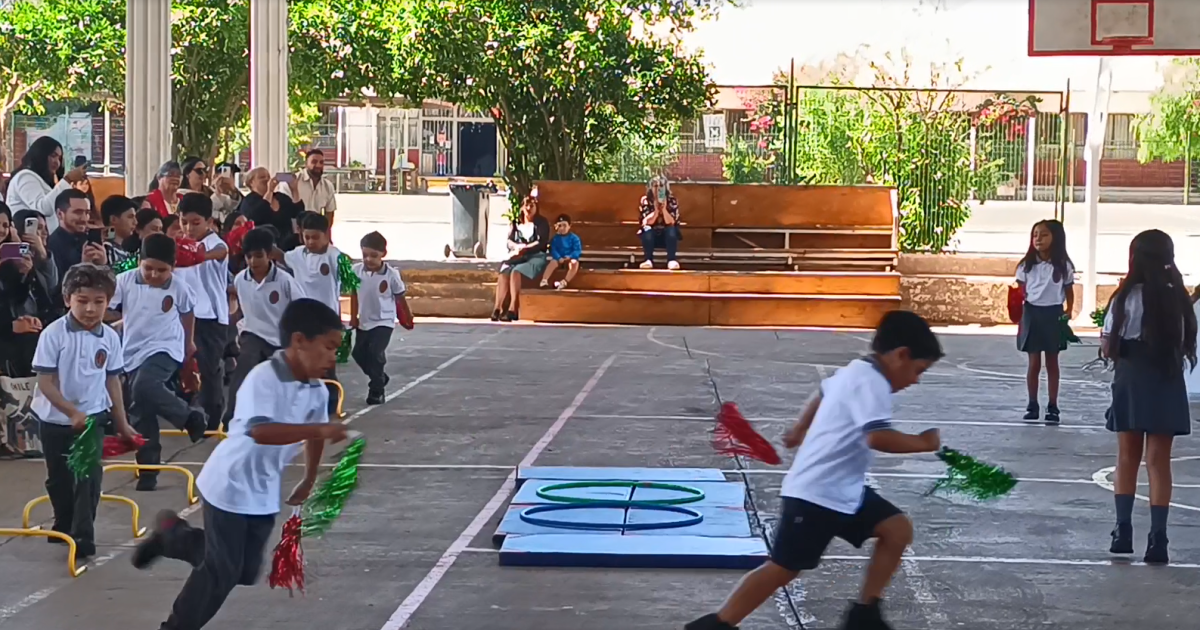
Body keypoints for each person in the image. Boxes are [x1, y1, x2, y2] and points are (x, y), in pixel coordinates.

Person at [686, 310, 943, 630]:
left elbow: (822, 393)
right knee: (783, 568)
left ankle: (865, 615)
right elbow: (877, 436)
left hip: (843, 491)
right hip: (817, 496)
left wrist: (799, 428)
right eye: (919, 370)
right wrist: (922, 443)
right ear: (901, 355)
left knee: (897, 529)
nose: (916, 380)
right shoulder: (873, 383)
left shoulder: (856, 370)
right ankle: (715, 625)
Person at [132, 298, 350, 630]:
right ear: (299, 341)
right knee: (221, 571)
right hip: (229, 484)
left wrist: (309, 477)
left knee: (245, 571)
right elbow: (260, 431)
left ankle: (173, 535)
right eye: (329, 347)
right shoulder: (264, 379)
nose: (333, 357)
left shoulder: (317, 391)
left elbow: (315, 435)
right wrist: (317, 429)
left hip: (262, 492)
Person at [1102, 229, 1196, 565]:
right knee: (1159, 461)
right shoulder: (1178, 299)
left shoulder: (1124, 297)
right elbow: (1184, 342)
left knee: (1127, 457)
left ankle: (1123, 531)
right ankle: (1158, 539)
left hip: (1131, 376)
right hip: (1166, 378)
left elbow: (1108, 345)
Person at [31, 263, 138, 558]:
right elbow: (46, 383)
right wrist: (70, 412)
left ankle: (83, 536)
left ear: (108, 302)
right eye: (82, 301)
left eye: (98, 302)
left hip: (93, 416)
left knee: (88, 477)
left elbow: (112, 381)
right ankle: (64, 522)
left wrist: (122, 423)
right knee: (59, 479)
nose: (90, 309)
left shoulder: (110, 338)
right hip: (54, 420)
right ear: (68, 300)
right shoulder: (53, 334)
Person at [110, 234, 209, 491]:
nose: (154, 274)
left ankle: (189, 417)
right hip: (132, 351)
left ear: (173, 267)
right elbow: (108, 306)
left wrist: (188, 342)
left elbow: (187, 313)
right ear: (139, 262)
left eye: (162, 270)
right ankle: (148, 468)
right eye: (148, 268)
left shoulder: (179, 287)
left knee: (144, 386)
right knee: (140, 408)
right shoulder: (124, 281)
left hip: (166, 347)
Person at [223, 227, 304, 429]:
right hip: (253, 333)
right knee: (243, 373)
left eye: (258, 256)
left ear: (270, 255)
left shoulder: (284, 280)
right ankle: (232, 418)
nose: (253, 261)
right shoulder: (241, 279)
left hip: (280, 339)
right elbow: (242, 309)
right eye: (249, 256)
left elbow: (301, 308)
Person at [175, 193, 230, 430]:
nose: (189, 228)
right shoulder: (179, 244)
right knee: (184, 366)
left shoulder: (215, 243)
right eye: (184, 222)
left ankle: (212, 416)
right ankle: (190, 414)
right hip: (183, 315)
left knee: (208, 368)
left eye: (195, 222)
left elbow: (220, 252)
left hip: (211, 318)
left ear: (209, 221)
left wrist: (197, 256)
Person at [282, 213, 343, 414]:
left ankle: (332, 401)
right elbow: (279, 256)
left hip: (327, 319)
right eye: (306, 237)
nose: (310, 242)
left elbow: (351, 277)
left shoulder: (334, 256)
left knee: (326, 362)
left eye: (315, 237)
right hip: (304, 318)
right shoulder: (297, 255)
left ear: (326, 235)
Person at [1015, 219, 1074, 424]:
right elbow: (1021, 291)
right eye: (1035, 235)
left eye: (1044, 234)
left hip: (1053, 313)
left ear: (1056, 238)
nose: (1038, 239)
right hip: (1032, 313)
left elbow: (1068, 290)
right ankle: (1032, 404)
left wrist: (1069, 310)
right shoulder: (1026, 266)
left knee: (1052, 362)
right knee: (1034, 363)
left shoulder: (1064, 266)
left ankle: (1053, 406)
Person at [349, 231, 411, 405]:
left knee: (375, 353)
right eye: (365, 255)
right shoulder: (356, 271)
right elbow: (353, 294)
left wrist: (407, 317)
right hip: (364, 321)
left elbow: (400, 298)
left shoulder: (391, 274)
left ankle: (377, 390)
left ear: (383, 254)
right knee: (358, 353)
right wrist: (353, 316)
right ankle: (379, 377)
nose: (368, 259)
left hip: (384, 321)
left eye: (373, 255)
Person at [7, 136, 87, 233]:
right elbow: (43, 208)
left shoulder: (39, 180)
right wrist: (68, 179)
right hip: (27, 237)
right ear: (40, 154)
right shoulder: (25, 176)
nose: (57, 162)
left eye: (59, 158)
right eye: (53, 156)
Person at [491, 194, 550, 322]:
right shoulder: (515, 223)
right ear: (522, 207)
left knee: (516, 271)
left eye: (532, 205)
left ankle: (513, 308)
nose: (529, 208)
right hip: (517, 256)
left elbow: (541, 242)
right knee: (504, 271)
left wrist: (525, 248)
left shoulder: (541, 223)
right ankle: (497, 308)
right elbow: (509, 241)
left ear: (536, 208)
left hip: (535, 256)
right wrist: (516, 247)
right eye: (526, 205)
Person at [47, 189, 107, 293]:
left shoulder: (88, 240)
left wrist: (103, 265)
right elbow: (55, 291)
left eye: (87, 213)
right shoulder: (51, 246)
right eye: (78, 212)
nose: (84, 218)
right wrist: (83, 267)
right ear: (60, 214)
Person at [237, 166, 301, 241]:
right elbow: (259, 214)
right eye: (262, 177)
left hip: (286, 242)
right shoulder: (248, 201)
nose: (267, 179)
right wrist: (269, 191)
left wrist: (294, 189)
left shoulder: (281, 197)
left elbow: (298, 212)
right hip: (262, 243)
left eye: (268, 177)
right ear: (251, 182)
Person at [639, 175, 681, 270]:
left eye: (661, 186)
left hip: (667, 237)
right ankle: (648, 260)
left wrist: (664, 209)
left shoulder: (672, 201)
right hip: (651, 237)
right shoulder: (646, 200)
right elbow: (645, 222)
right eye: (655, 186)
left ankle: (671, 260)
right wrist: (656, 211)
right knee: (647, 229)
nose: (658, 189)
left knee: (671, 229)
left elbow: (671, 222)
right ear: (651, 188)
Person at [539, 213, 582, 290]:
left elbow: (577, 250)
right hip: (559, 259)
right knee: (552, 263)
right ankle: (544, 280)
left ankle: (565, 281)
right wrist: (558, 258)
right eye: (560, 226)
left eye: (564, 225)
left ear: (569, 226)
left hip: (570, 258)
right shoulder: (555, 239)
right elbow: (553, 249)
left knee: (574, 263)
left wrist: (570, 256)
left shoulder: (574, 238)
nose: (562, 228)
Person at [295, 149, 337, 225]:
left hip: (316, 229)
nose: (318, 165)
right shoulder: (294, 181)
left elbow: (330, 213)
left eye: (321, 162)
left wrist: (326, 231)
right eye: (314, 162)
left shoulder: (328, 186)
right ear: (306, 164)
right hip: (295, 228)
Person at [99, 195, 138, 268]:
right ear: (113, 219)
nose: (135, 222)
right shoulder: (107, 250)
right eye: (130, 217)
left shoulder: (123, 251)